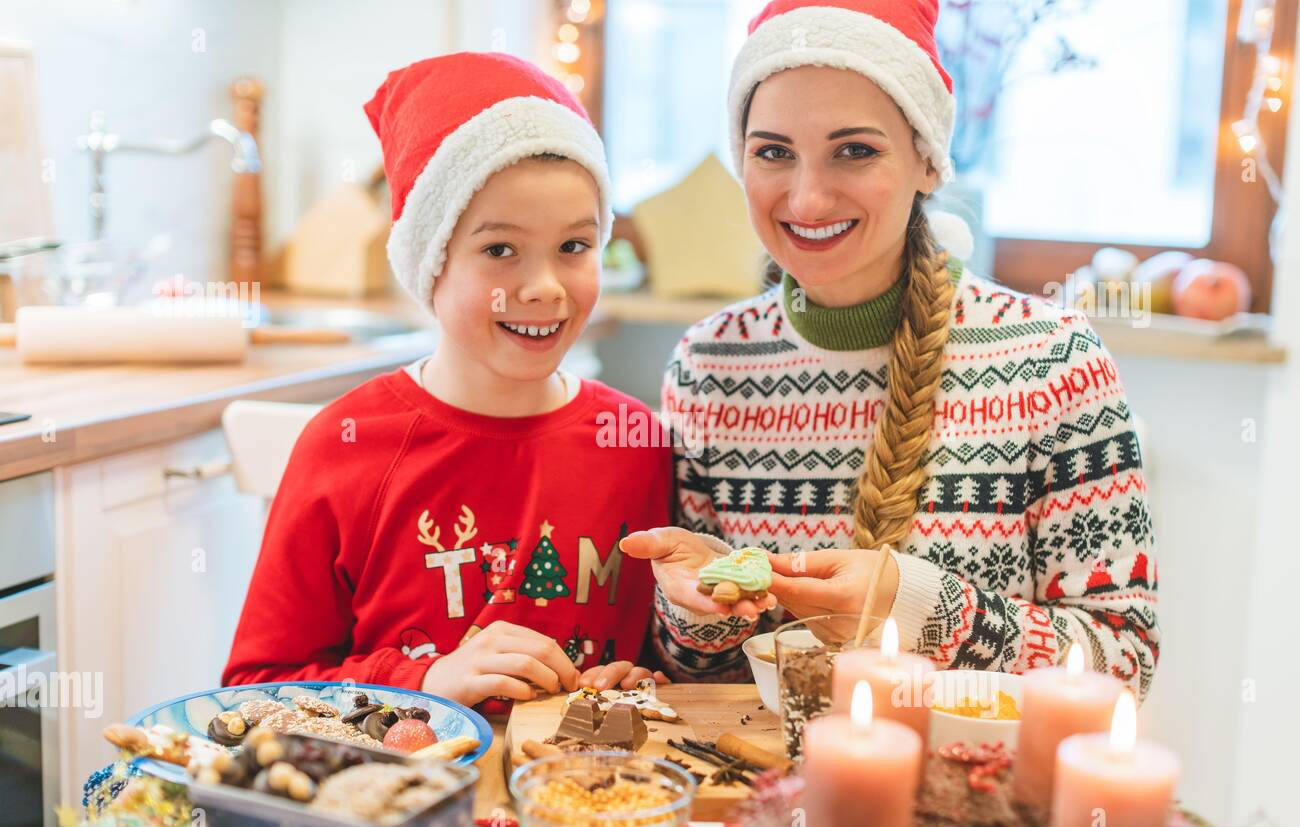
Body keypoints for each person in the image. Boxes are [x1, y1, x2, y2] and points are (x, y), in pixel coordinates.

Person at [622, 0, 1159, 700]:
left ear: (928, 162)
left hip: (973, 798)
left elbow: (1122, 666)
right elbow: (696, 679)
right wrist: (701, 611)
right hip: (766, 795)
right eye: (773, 151)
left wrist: (917, 604)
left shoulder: (1056, 361)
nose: (808, 197)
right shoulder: (709, 366)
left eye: (855, 150)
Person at [224, 53, 671, 710]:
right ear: (430, 264)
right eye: (499, 250)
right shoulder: (343, 447)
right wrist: (428, 682)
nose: (544, 286)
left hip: (581, 805)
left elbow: (661, 663)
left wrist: (639, 681)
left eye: (574, 246)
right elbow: (253, 692)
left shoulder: (637, 443)